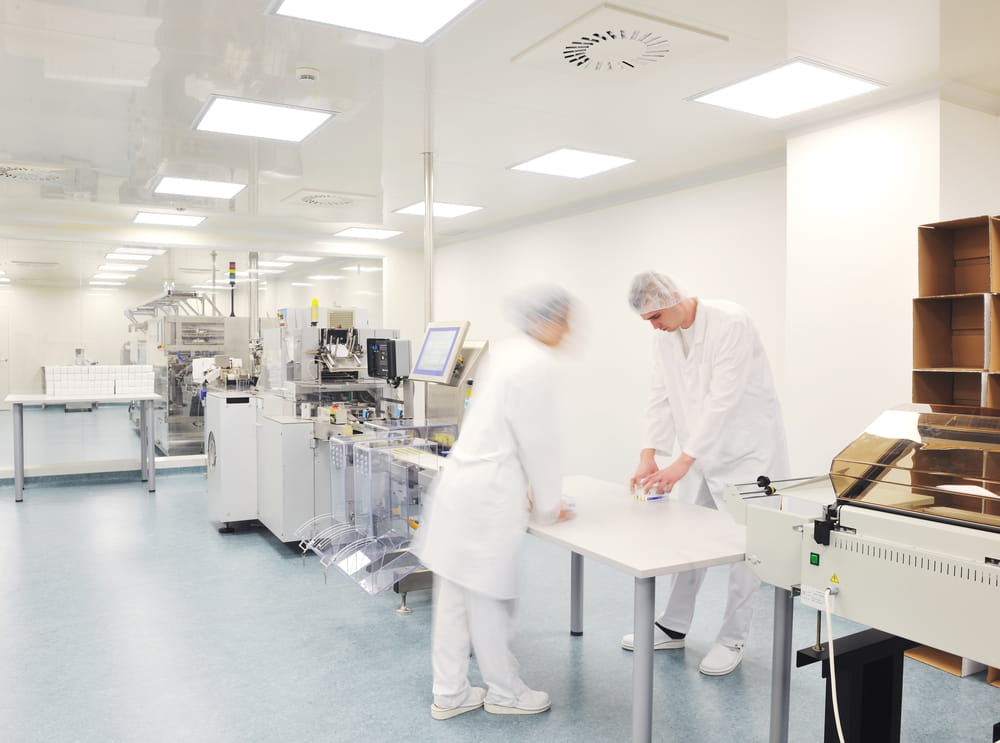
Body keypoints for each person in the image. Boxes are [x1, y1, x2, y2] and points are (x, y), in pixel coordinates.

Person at [412, 285, 576, 720]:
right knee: (491, 599)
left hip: (460, 486)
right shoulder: (536, 362)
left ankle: (449, 692)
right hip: (488, 496)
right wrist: (547, 503)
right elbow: (540, 442)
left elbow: (503, 429)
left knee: (454, 599)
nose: (569, 329)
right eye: (565, 319)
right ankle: (505, 693)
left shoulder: (503, 352)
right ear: (545, 321)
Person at [622, 270, 788, 676]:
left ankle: (732, 638)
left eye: (656, 316)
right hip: (699, 454)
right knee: (688, 539)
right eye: (648, 320)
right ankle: (673, 625)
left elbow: (723, 399)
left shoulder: (731, 321)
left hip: (748, 453)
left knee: (748, 548)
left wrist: (682, 461)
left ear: (676, 298)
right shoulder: (665, 337)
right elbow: (659, 394)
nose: (654, 326)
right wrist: (649, 454)